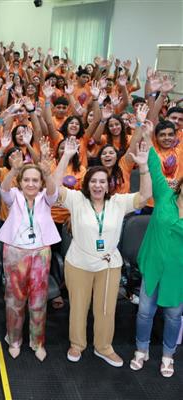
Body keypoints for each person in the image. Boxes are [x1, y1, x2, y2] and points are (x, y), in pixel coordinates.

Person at [54, 137, 152, 368]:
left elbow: (145, 196)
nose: (98, 186)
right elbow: (53, 188)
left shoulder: (118, 202)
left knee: (106, 309)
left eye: (102, 182)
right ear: (87, 184)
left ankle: (103, 347)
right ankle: (77, 344)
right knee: (78, 307)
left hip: (108, 265)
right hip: (78, 263)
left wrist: (144, 166)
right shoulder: (77, 199)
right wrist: (66, 157)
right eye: (94, 181)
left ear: (108, 185)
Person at [0, 148, 61, 362]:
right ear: (20, 182)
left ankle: (37, 341)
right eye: (26, 180)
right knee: (14, 299)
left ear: (41, 183)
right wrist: (14, 170)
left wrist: (48, 173)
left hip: (40, 252)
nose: (31, 184)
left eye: (35, 180)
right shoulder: (14, 196)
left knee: (38, 300)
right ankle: (14, 340)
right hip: (15, 251)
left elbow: (53, 192)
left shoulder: (45, 197)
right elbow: (4, 189)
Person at [130, 147, 183, 378]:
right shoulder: (163, 196)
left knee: (173, 316)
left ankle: (168, 356)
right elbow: (153, 165)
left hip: (178, 274)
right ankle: (141, 350)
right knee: (144, 312)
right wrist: (145, 134)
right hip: (153, 268)